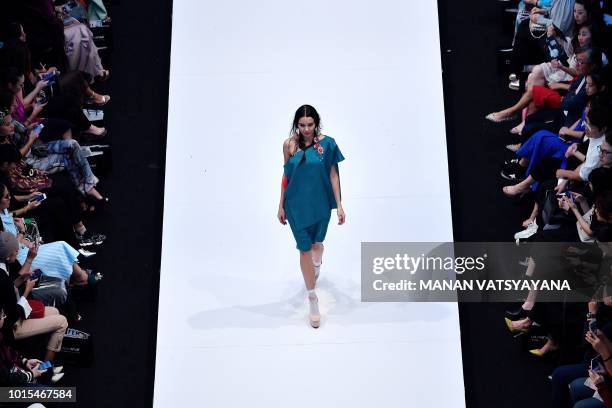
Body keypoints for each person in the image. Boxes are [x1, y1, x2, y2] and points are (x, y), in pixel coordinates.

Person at [277, 105, 345, 328]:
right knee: (304, 248)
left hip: (320, 204)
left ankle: (316, 264)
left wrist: (340, 204)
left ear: (317, 123)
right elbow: (286, 176)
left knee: (317, 246)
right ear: (297, 124)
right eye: (302, 125)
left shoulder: (328, 144)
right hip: (296, 205)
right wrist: (281, 205)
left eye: (310, 124)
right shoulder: (289, 145)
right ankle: (312, 298)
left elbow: (333, 174)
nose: (306, 129)